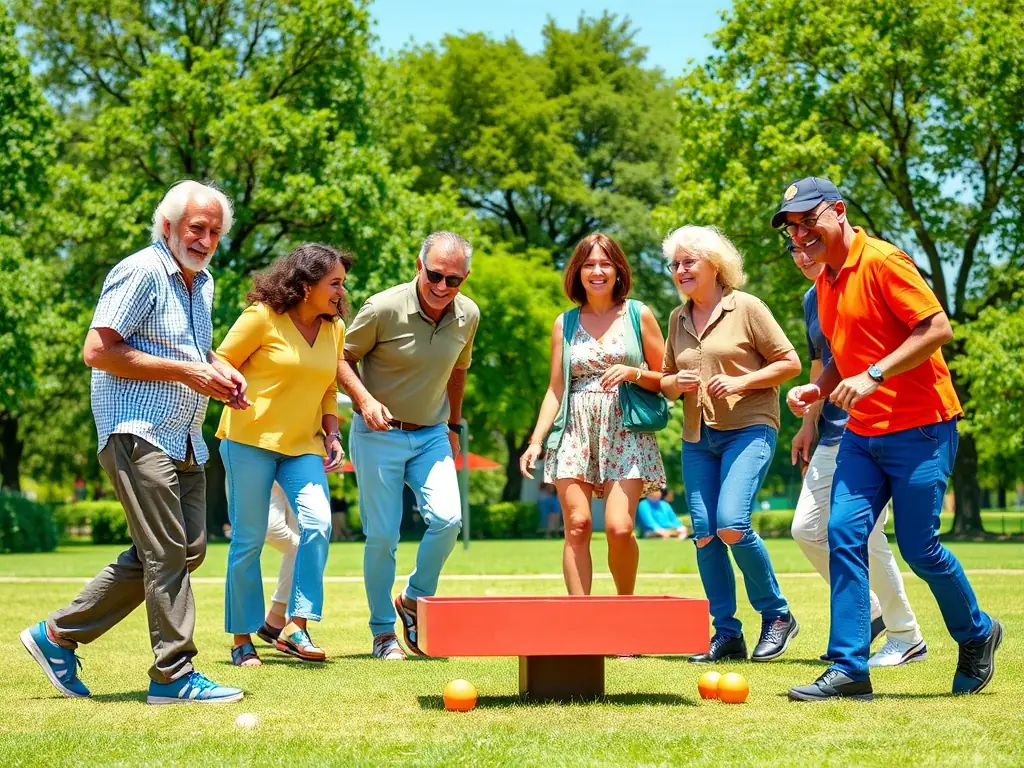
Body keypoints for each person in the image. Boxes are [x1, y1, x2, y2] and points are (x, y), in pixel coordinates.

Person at [21, 180, 246, 705]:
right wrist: (189, 373)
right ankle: (174, 676)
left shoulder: (202, 281)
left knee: (184, 550)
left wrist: (221, 370)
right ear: (167, 226)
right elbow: (98, 350)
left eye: (214, 231)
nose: (205, 238)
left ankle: (56, 636)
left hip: (184, 435)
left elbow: (192, 350)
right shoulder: (140, 271)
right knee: (167, 552)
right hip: (137, 429)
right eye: (196, 227)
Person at [778, 177, 1002, 702]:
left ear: (837, 211)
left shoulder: (883, 261)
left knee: (921, 548)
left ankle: (976, 633)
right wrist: (819, 388)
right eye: (792, 228)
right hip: (862, 433)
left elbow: (937, 329)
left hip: (921, 427)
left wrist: (874, 374)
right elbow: (843, 355)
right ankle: (849, 667)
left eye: (809, 220)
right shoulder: (827, 283)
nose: (801, 234)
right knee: (842, 535)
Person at [659, 225, 802, 664]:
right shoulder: (677, 318)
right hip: (697, 436)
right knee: (704, 536)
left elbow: (790, 362)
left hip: (749, 427)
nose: (680, 270)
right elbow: (665, 381)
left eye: (688, 262)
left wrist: (742, 381)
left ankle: (777, 616)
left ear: (714, 265)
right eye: (674, 264)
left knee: (731, 523)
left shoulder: (747, 307)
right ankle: (727, 634)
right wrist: (673, 383)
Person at [339, 231, 480, 661]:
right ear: (419, 267)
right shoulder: (382, 307)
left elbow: (459, 370)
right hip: (378, 434)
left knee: (448, 519)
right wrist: (363, 401)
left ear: (465, 278)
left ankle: (415, 597)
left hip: (432, 433)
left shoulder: (468, 315)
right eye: (434, 275)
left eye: (453, 280)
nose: (442, 286)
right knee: (382, 536)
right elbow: (338, 358)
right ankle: (383, 632)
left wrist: (454, 424)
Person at [789, 237, 927, 667]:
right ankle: (870, 610)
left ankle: (906, 635)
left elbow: (915, 335)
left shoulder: (869, 273)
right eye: (794, 248)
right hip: (833, 426)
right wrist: (809, 421)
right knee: (807, 529)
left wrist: (873, 380)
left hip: (879, 421)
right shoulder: (815, 297)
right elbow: (820, 362)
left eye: (810, 242)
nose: (803, 254)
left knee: (865, 534)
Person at [217, 244, 350, 666]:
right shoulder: (262, 318)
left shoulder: (334, 328)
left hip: (302, 447)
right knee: (248, 540)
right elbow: (220, 359)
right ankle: (242, 639)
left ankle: (297, 625)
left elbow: (328, 388)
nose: (340, 292)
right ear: (306, 285)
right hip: (249, 442)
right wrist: (233, 385)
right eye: (334, 284)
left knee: (318, 523)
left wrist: (332, 433)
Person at [520, 233, 667, 597]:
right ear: (578, 271)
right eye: (589, 264)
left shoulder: (639, 314)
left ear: (619, 270)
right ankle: (581, 622)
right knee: (578, 525)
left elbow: (668, 380)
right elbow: (555, 389)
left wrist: (633, 373)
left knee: (619, 528)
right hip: (574, 430)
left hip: (626, 429)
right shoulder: (564, 323)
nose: (597, 271)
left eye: (605, 263)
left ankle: (624, 612)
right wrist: (536, 441)